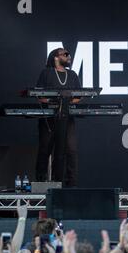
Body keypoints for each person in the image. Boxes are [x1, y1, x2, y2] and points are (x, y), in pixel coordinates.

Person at [35, 48, 81, 187]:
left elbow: (79, 96)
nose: (68, 56)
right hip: (49, 119)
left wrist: (66, 103)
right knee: (45, 150)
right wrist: (54, 102)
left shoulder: (72, 75)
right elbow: (39, 95)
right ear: (56, 57)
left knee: (71, 150)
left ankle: (70, 184)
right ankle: (40, 183)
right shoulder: (46, 73)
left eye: (69, 54)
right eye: (65, 54)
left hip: (67, 118)